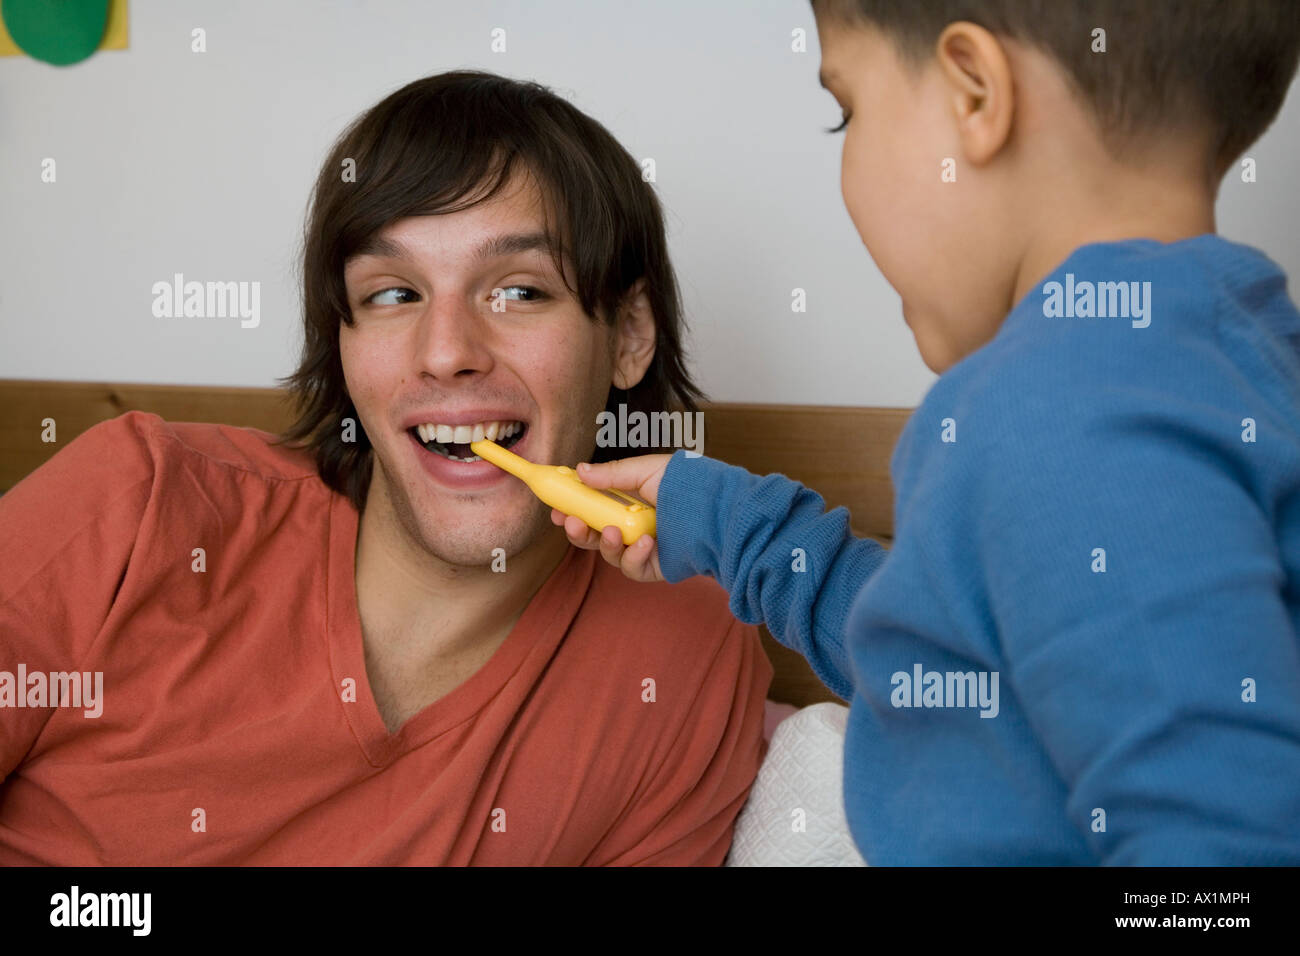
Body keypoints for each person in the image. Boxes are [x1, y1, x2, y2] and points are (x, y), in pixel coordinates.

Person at [553, 0, 1300, 864]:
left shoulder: (1065, 402)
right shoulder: (1224, 355)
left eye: (850, 110)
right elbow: (965, 678)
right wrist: (734, 525)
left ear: (975, 93)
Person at [0, 71, 771, 865]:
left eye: (518, 291)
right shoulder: (136, 502)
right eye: (395, 293)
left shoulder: (686, 658)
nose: (446, 353)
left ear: (629, 335)